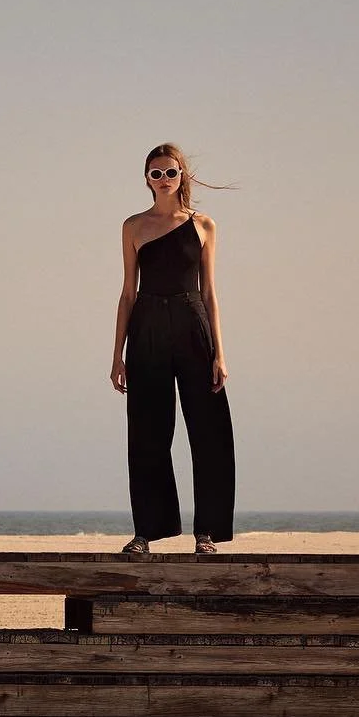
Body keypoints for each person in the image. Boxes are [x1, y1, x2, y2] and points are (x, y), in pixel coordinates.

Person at [109, 143, 235, 554]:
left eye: (170, 172)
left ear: (183, 175)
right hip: (146, 327)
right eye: (156, 173)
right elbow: (127, 293)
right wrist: (117, 355)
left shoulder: (204, 225)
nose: (163, 180)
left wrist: (220, 353)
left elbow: (210, 292)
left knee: (209, 430)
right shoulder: (133, 226)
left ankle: (207, 533)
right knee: (147, 431)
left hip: (192, 324)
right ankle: (146, 533)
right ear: (146, 179)